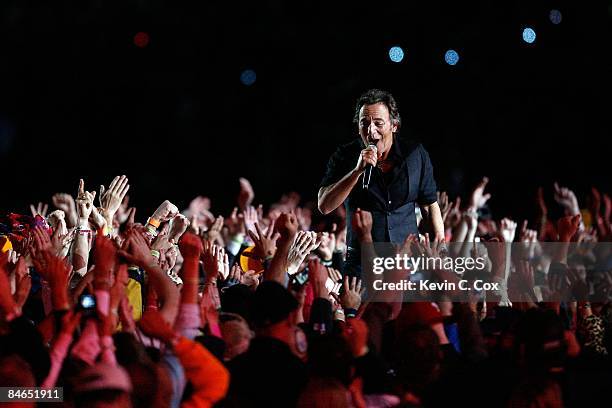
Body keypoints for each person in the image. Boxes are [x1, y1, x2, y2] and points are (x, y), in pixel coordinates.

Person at [318, 89, 445, 276]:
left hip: (408, 260)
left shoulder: (415, 155)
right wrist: (356, 172)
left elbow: (429, 206)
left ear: (394, 125)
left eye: (378, 123)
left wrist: (440, 251)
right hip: (362, 264)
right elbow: (324, 205)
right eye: (364, 123)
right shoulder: (344, 157)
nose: (371, 131)